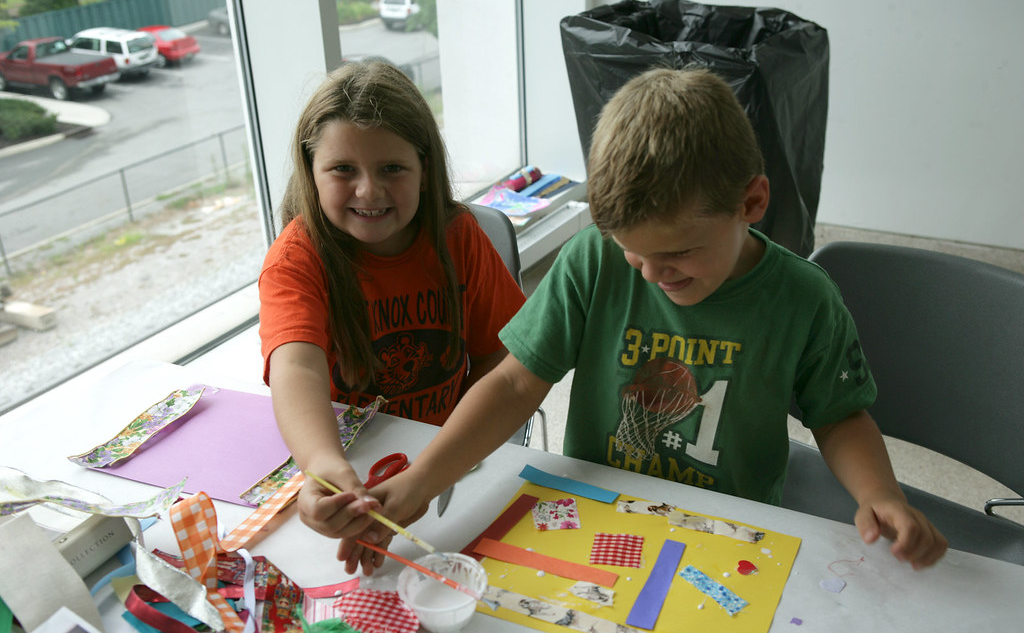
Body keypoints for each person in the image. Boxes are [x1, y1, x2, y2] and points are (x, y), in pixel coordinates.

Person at [336, 66, 948, 574]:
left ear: (752, 203)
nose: (654, 274)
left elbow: (838, 415)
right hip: (594, 509)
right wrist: (419, 484)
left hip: (728, 529)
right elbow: (516, 382)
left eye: (680, 251)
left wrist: (879, 495)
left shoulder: (805, 298)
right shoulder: (593, 260)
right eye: (634, 251)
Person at [258, 62, 525, 564]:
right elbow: (295, 366)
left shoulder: (459, 236)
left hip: (452, 461)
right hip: (346, 469)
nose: (369, 191)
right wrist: (320, 465)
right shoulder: (297, 257)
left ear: (425, 170)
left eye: (392, 169)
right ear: (310, 172)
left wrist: (445, 456)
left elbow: (504, 359)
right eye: (343, 170)